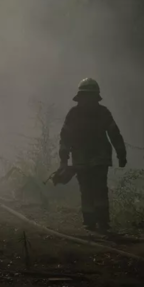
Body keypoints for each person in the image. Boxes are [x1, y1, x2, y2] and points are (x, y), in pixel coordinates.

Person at [58, 78, 126, 232]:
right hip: (93, 158)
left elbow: (65, 137)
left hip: (89, 159)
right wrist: (121, 155)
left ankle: (95, 222)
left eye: (90, 97)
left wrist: (122, 155)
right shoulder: (101, 112)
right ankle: (96, 222)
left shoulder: (75, 113)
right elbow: (65, 137)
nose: (88, 100)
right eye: (86, 97)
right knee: (94, 189)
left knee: (92, 190)